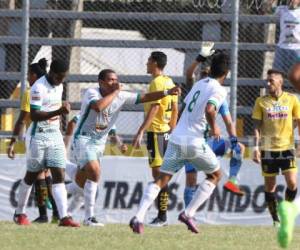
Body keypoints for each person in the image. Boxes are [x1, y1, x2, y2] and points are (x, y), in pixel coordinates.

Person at [129, 53, 229, 234]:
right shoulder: (220, 90)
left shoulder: (199, 84)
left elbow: (184, 106)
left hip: (176, 138)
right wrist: (215, 127)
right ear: (226, 73)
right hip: (193, 141)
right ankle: (189, 213)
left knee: (161, 179)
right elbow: (210, 109)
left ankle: (139, 217)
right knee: (215, 175)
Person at [72, 69, 180, 226]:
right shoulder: (92, 92)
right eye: (110, 80)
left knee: (81, 181)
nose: (115, 82)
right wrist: (116, 93)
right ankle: (89, 218)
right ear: (101, 82)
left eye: (116, 79)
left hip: (100, 142)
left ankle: (63, 188)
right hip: (83, 138)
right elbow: (98, 107)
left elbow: (146, 97)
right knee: (94, 172)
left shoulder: (120, 95)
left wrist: (167, 92)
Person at [13, 59, 79, 227]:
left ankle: (63, 217)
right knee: (32, 176)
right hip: (38, 136)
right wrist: (59, 111)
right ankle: (20, 213)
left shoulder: (60, 85)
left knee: (59, 175)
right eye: (59, 77)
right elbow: (33, 116)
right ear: (52, 73)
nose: (61, 81)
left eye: (64, 78)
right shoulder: (37, 88)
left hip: (54, 135)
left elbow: (57, 108)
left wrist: (62, 110)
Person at [183, 45, 245, 207]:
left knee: (238, 148)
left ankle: (231, 181)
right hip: (193, 140)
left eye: (206, 74)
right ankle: (189, 214)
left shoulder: (209, 91)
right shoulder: (199, 88)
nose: (204, 77)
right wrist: (233, 141)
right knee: (191, 179)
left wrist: (233, 140)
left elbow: (229, 121)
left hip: (198, 141)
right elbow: (189, 75)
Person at [7, 58, 59, 223]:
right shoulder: (53, 89)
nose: (28, 77)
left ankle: (43, 214)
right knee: (47, 174)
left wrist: (13, 141)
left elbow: (22, 120)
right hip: (51, 134)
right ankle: (57, 213)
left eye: (29, 74)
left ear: (34, 75)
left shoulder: (31, 92)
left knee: (37, 175)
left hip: (36, 136)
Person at [132, 51, 178, 226]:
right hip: (166, 133)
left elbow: (154, 109)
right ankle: (162, 216)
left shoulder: (156, 83)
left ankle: (162, 217)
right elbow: (175, 109)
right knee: (162, 175)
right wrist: (172, 130)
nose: (146, 63)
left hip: (156, 133)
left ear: (155, 63)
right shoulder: (169, 81)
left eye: (149, 60)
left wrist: (140, 131)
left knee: (158, 177)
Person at [252, 69, 300, 227]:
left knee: (292, 183)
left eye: (271, 80)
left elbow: (299, 122)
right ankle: (275, 220)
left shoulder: (292, 99)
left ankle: (285, 210)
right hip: (267, 149)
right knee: (270, 186)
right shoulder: (261, 101)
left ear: (280, 82)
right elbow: (257, 127)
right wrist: (255, 148)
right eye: (267, 80)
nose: (268, 83)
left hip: (287, 148)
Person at [64, 114, 128, 218]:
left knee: (85, 188)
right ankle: (59, 194)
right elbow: (72, 122)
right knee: (87, 185)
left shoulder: (109, 116)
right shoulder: (91, 111)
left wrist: (120, 145)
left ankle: (65, 212)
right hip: (81, 150)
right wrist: (66, 144)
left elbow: (112, 136)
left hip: (93, 154)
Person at [267, 0, 300, 72]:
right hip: (282, 48)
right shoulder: (281, 9)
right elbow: (268, 10)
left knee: (295, 76)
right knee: (277, 73)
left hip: (297, 49)